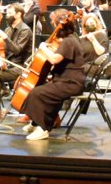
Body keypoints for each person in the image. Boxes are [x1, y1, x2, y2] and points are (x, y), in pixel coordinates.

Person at [20, 10, 86, 141]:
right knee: (39, 89)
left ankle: (42, 129)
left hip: (71, 83)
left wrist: (43, 47)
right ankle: (36, 123)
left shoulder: (69, 41)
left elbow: (54, 59)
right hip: (65, 80)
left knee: (37, 93)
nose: (52, 24)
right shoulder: (69, 39)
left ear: (59, 24)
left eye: (53, 22)